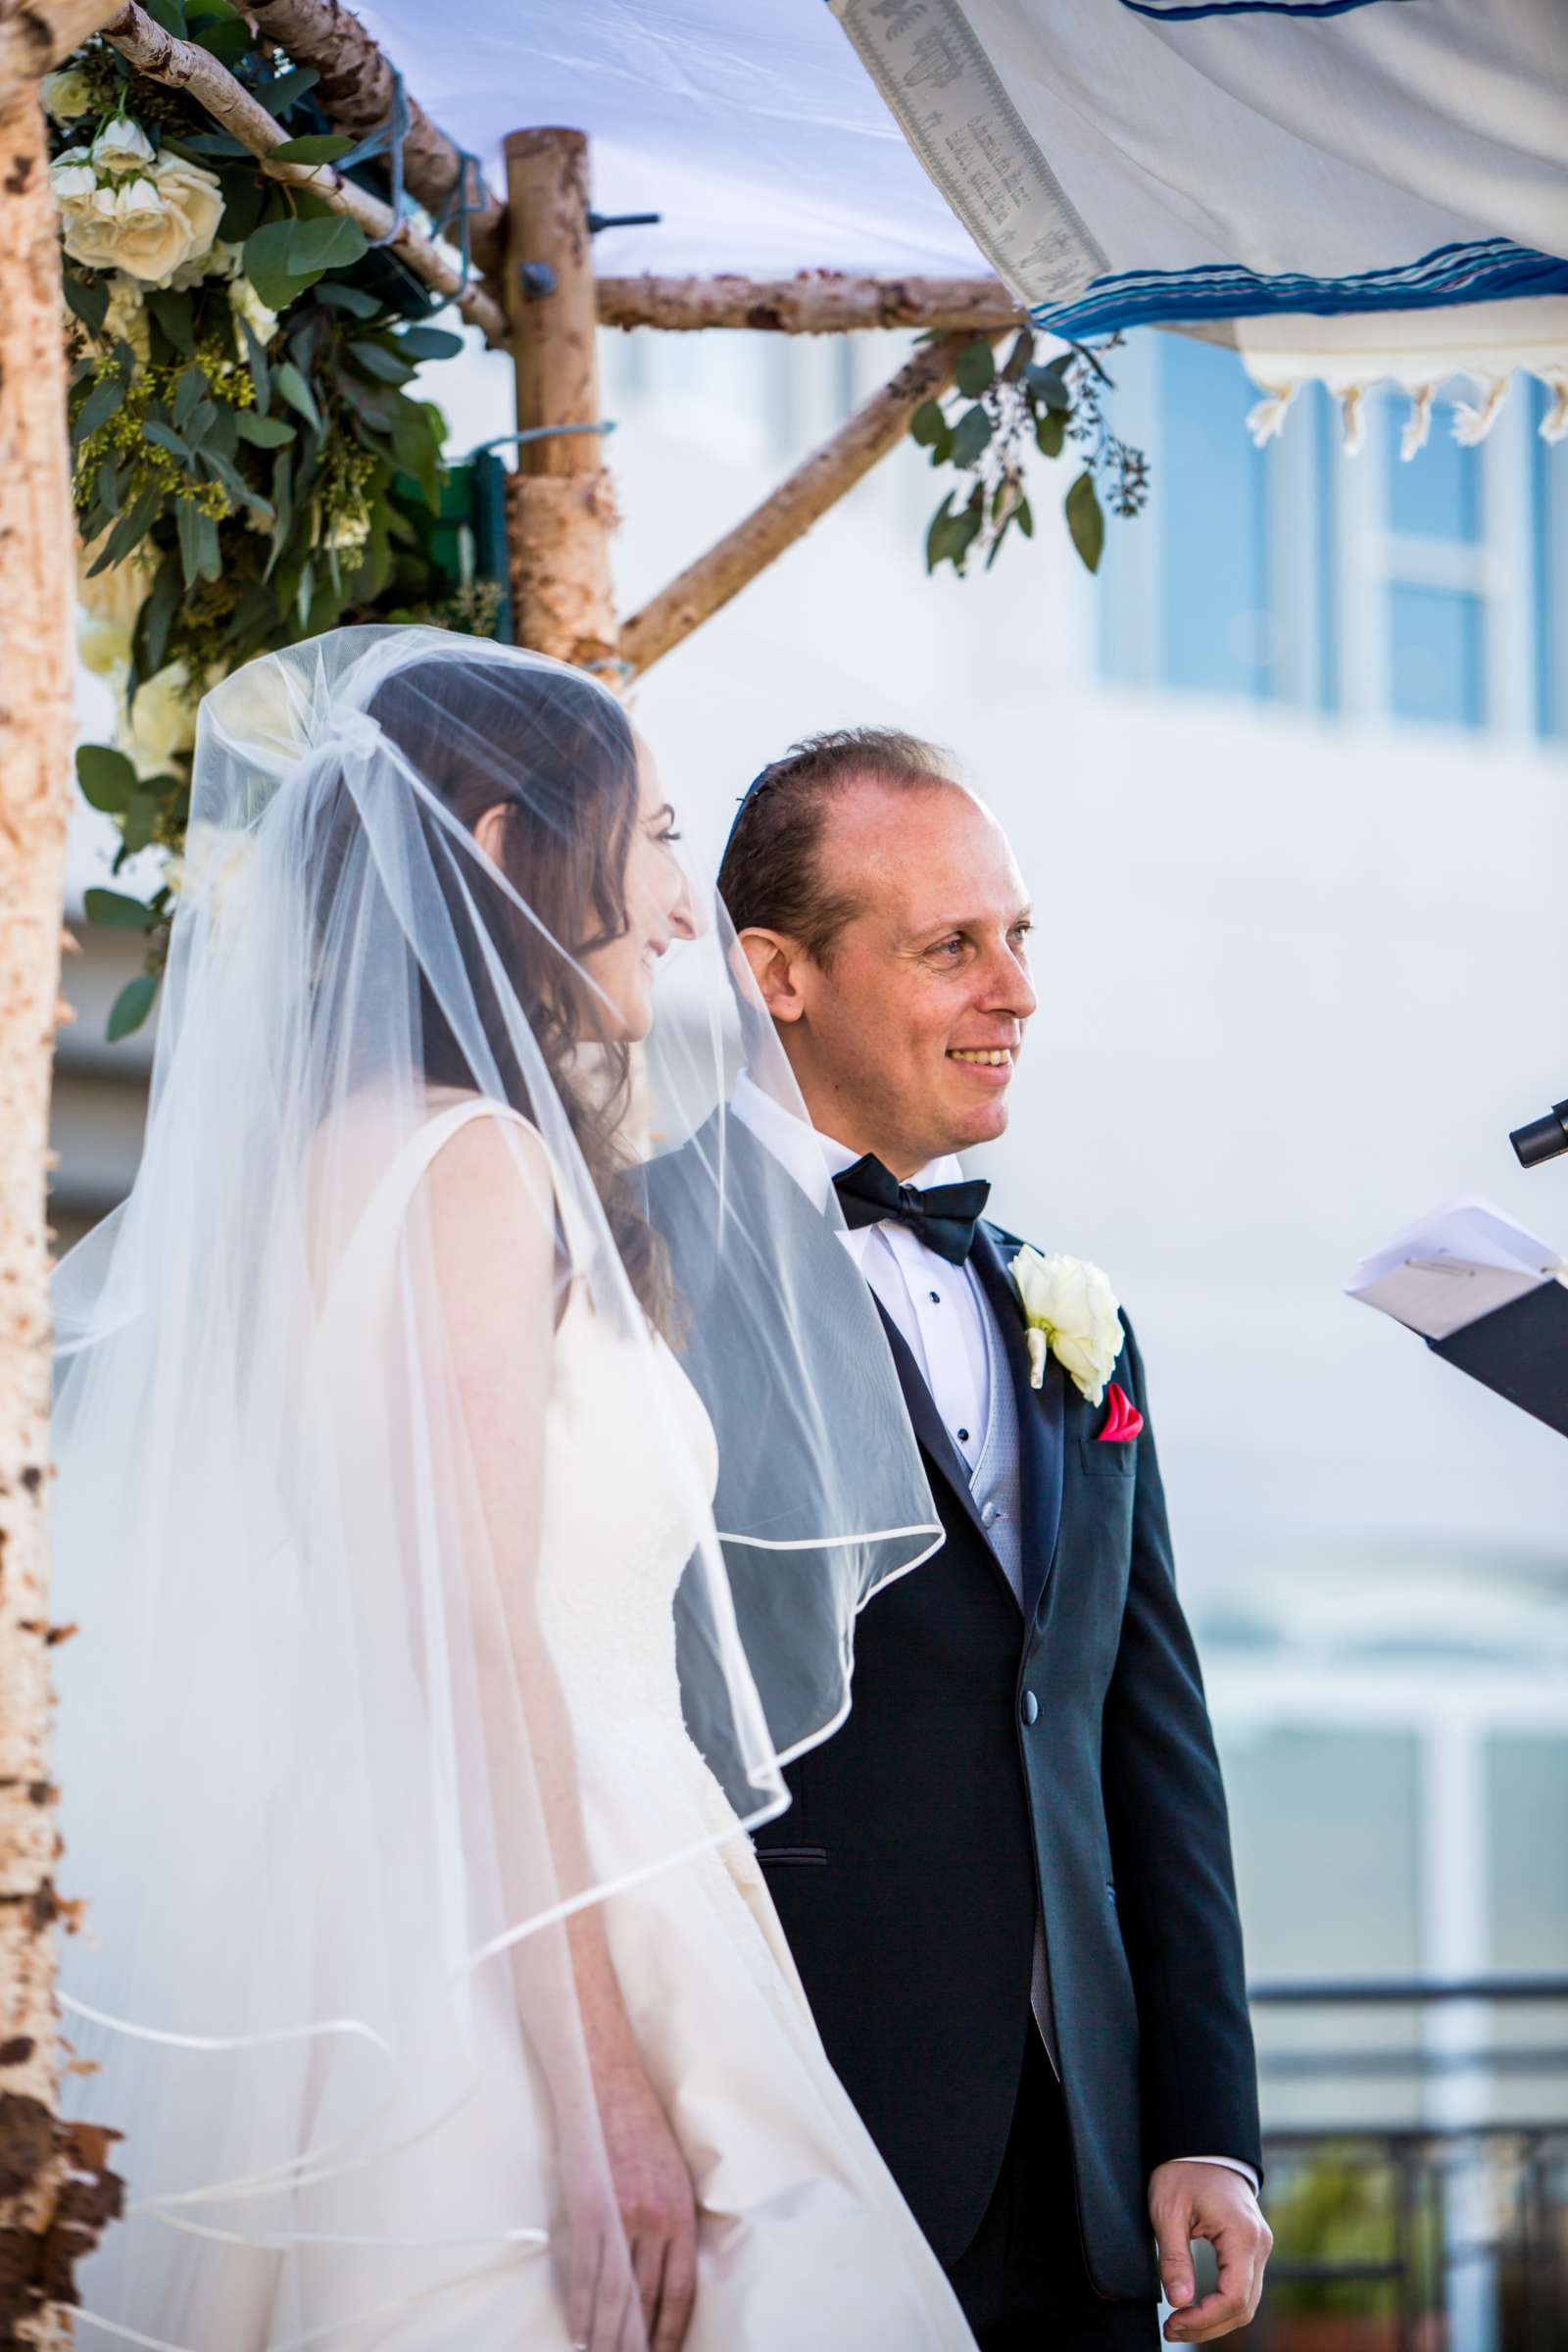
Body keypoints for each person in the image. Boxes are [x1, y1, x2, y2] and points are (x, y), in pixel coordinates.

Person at [50, 634, 977, 2352]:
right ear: (499, 850)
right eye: (652, 847)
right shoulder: (465, 1166)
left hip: (488, 1882)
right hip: (543, 1935)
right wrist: (607, 2090)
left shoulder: (346, 1166)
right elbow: (467, 1636)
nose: (683, 911)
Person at [657, 729, 1273, 2351]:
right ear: (777, 973)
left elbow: (1150, 1742)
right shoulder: (634, 1261)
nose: (1016, 990)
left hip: (1082, 2184)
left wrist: (1203, 2121)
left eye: (1019, 938)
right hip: (778, 2136)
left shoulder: (1070, 1310)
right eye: (951, 946)